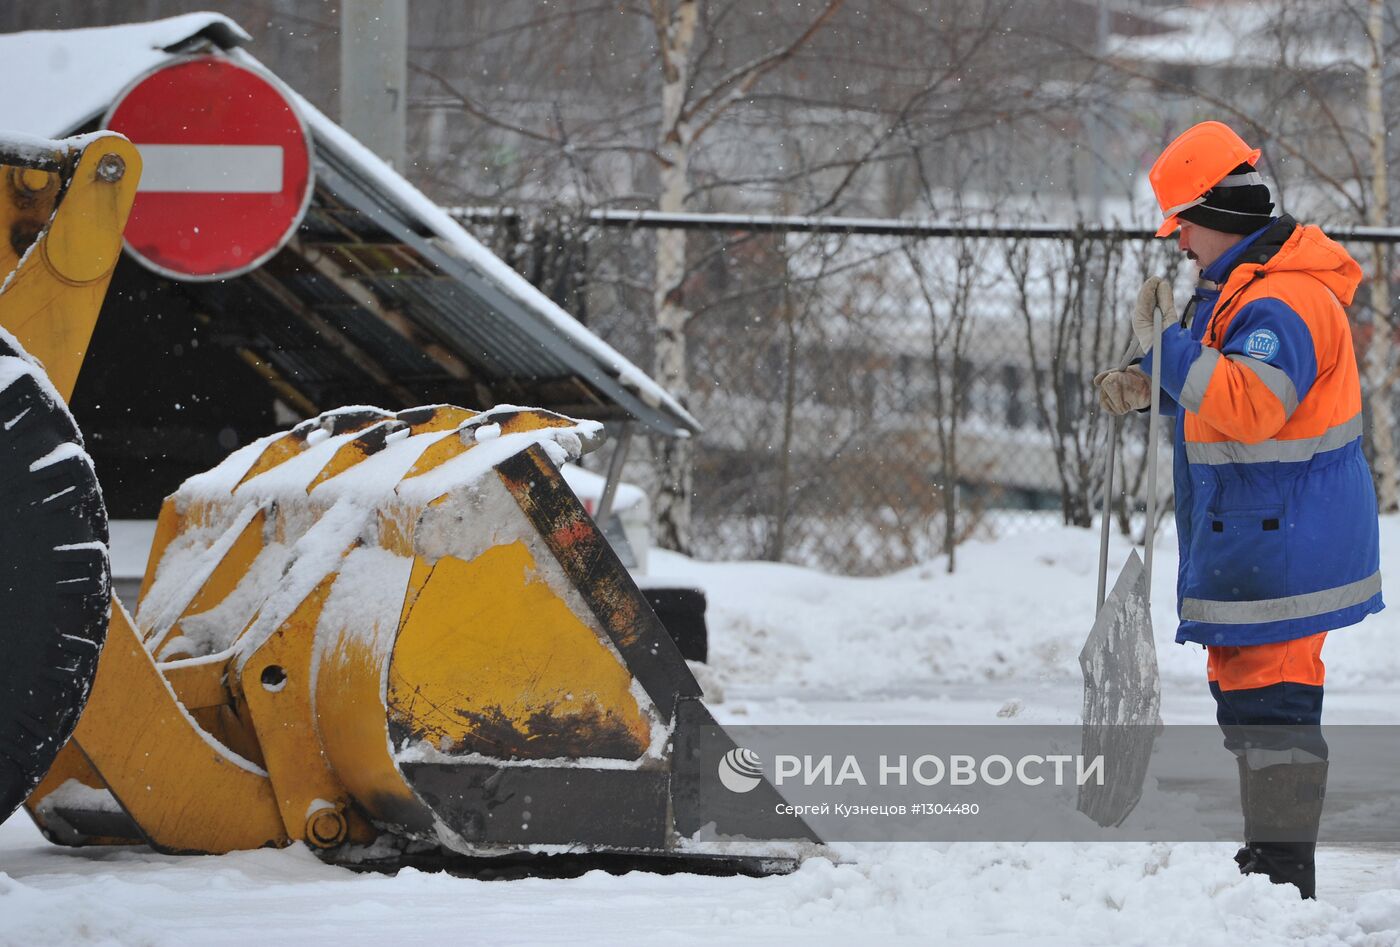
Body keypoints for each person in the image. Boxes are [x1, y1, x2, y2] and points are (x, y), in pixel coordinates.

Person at [1094, 120, 1384, 900]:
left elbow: (1250, 405)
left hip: (1286, 542)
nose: (1180, 244)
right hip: (1263, 536)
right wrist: (1152, 377)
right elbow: (1223, 384)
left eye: (1182, 225)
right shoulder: (1244, 287)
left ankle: (1283, 878)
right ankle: (1270, 866)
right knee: (1253, 704)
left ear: (1213, 211)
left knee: (1275, 712)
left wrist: (1166, 344)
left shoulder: (1285, 300)